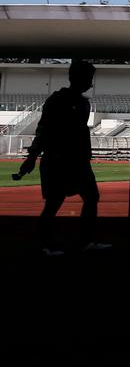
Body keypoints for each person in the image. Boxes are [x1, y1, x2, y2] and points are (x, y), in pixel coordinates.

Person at [12, 60, 108, 255]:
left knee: (91, 197)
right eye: (88, 78)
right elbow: (44, 129)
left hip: (78, 161)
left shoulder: (83, 103)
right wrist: (31, 157)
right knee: (54, 203)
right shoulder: (58, 100)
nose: (90, 82)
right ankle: (46, 245)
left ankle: (86, 241)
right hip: (58, 159)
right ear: (77, 78)